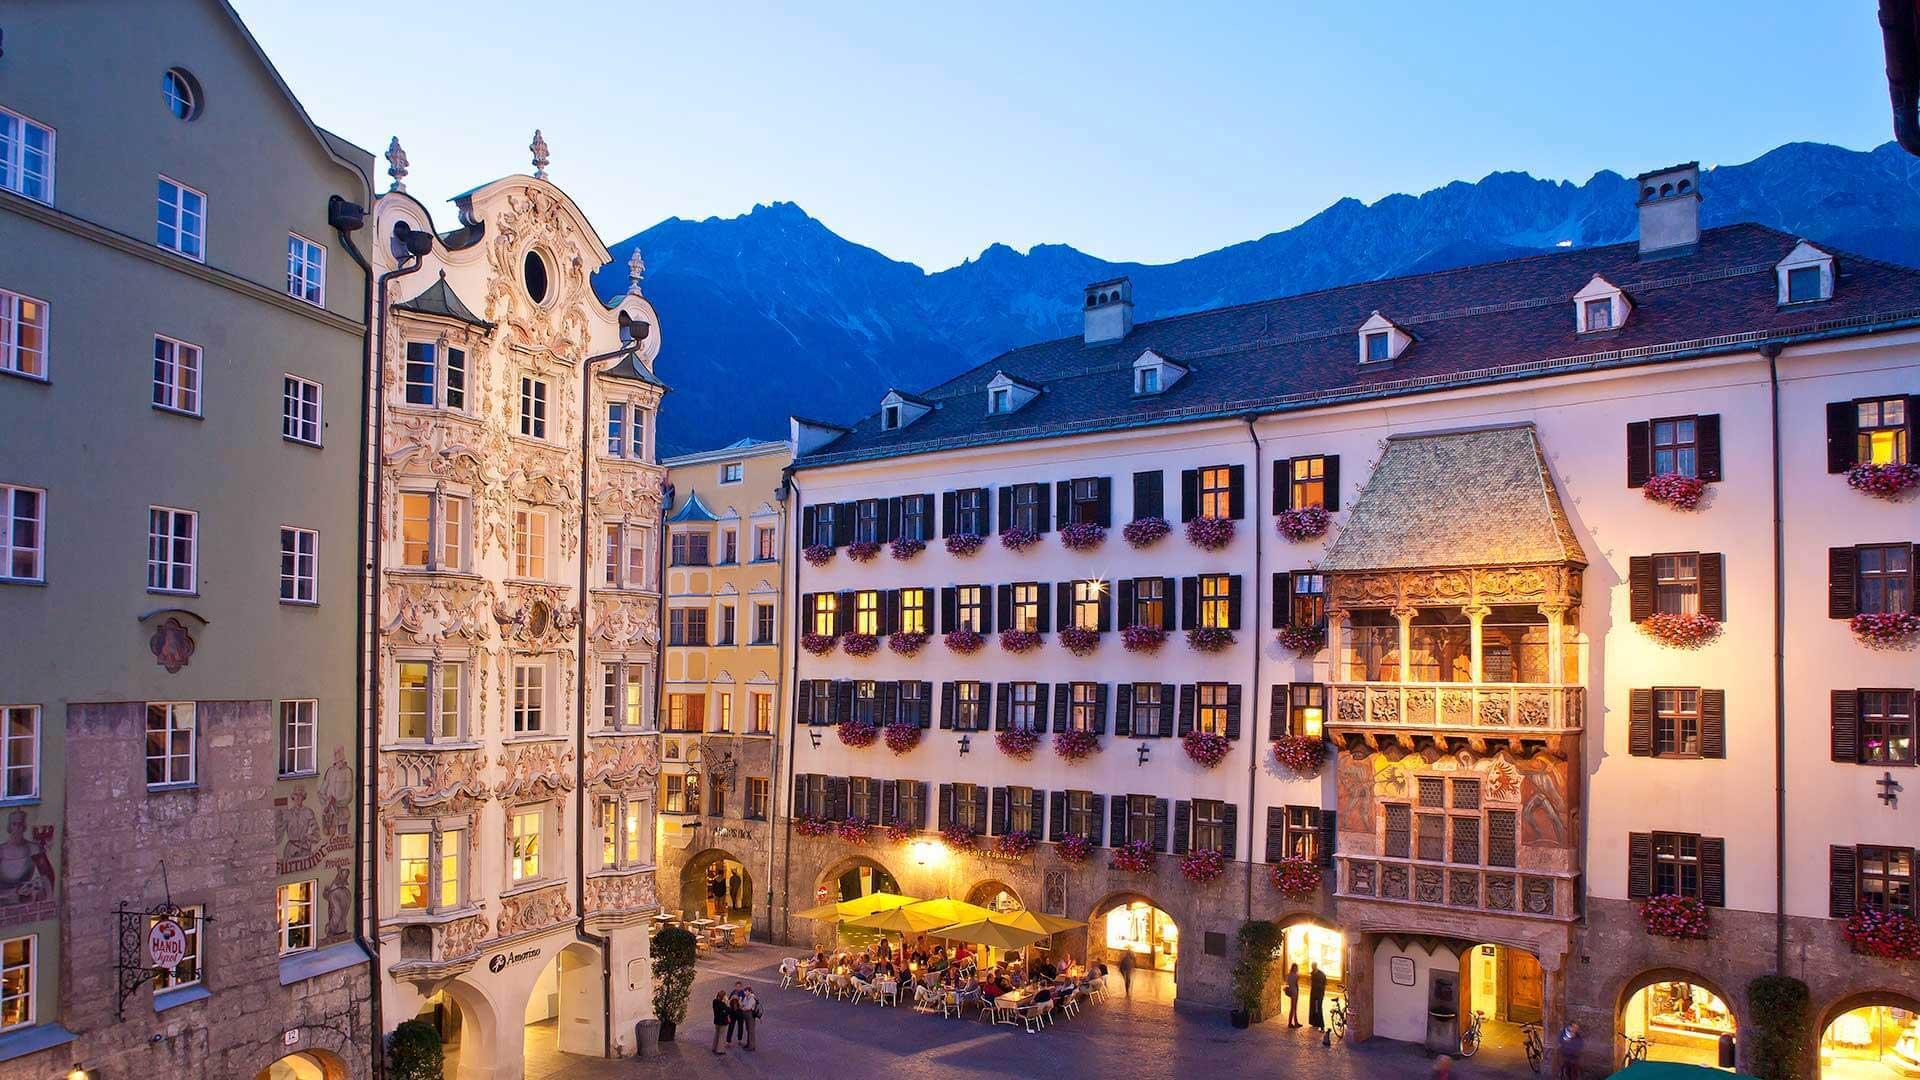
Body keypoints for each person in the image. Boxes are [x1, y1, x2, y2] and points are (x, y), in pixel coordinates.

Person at [740, 986, 761, 1052]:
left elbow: (748, 1007)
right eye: (744, 991)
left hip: (750, 1015)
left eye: (746, 991)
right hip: (746, 1014)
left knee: (751, 1030)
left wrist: (742, 1008)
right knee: (748, 1029)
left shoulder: (752, 998)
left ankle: (752, 1046)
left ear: (749, 991)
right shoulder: (746, 997)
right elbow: (743, 1004)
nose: (745, 993)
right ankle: (748, 1044)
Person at [1308, 963, 1327, 1031]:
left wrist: (1320, 990)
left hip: (1318, 994)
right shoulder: (1313, 973)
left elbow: (1324, 983)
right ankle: (1315, 1023)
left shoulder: (1320, 974)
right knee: (1314, 1007)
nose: (1312, 968)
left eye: (1313, 967)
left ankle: (1321, 1025)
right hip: (1314, 993)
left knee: (1318, 1008)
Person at [1285, 963, 1301, 1027]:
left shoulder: (1288, 975)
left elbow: (1287, 983)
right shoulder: (1296, 976)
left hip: (1291, 991)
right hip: (1294, 991)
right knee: (1294, 1008)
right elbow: (1296, 985)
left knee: (1292, 1007)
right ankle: (1292, 1023)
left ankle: (1294, 1022)